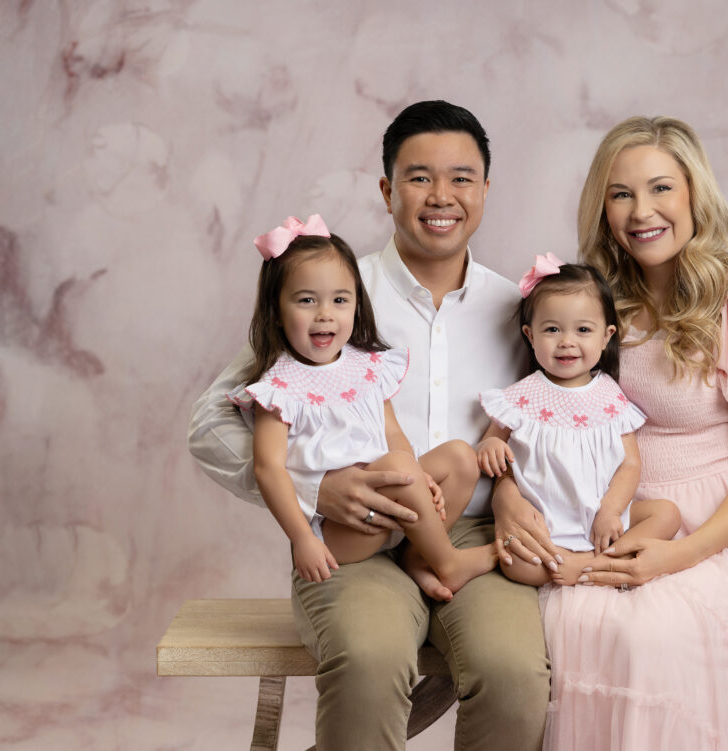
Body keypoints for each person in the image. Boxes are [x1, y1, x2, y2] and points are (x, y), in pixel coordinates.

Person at [188, 101, 549, 751]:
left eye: (462, 177)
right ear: (387, 189)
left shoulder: (518, 308)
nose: (441, 196)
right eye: (418, 177)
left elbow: (541, 422)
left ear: (487, 190)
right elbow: (211, 420)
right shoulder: (333, 292)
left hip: (468, 527)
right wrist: (314, 489)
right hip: (358, 536)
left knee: (515, 673)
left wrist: (521, 498)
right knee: (370, 659)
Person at [494, 116, 728, 750]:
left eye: (662, 188)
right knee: (580, 621)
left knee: (654, 634)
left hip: (722, 527)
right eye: (621, 193)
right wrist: (507, 494)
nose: (643, 211)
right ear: (602, 207)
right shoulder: (594, 307)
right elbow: (538, 418)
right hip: (603, 510)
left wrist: (678, 557)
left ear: (695, 195)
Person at [229, 217, 494, 592]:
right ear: (276, 310)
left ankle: (420, 557)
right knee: (399, 466)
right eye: (307, 300)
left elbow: (393, 434)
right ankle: (448, 562)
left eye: (340, 300)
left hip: (395, 502)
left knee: (461, 458)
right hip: (346, 528)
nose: (325, 314)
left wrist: (420, 479)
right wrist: (304, 539)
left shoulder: (366, 367)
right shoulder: (279, 388)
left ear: (356, 303)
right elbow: (268, 470)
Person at [476, 255, 680, 586]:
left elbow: (630, 464)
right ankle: (596, 567)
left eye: (583, 330)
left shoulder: (611, 396)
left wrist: (611, 511)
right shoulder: (520, 397)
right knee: (518, 564)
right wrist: (488, 447)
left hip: (605, 518)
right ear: (530, 335)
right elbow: (493, 439)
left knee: (667, 514)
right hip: (550, 523)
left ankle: (588, 563)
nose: (567, 341)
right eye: (552, 329)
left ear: (606, 336)